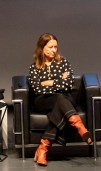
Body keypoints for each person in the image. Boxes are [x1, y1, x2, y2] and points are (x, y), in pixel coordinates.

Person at [28, 33, 92, 166]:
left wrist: (47, 82)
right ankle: (79, 126)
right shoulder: (34, 67)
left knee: (60, 101)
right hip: (43, 101)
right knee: (59, 97)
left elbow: (68, 84)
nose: (53, 50)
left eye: (55, 47)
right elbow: (37, 89)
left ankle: (43, 149)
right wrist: (58, 82)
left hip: (65, 98)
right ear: (41, 48)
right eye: (50, 47)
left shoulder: (63, 63)